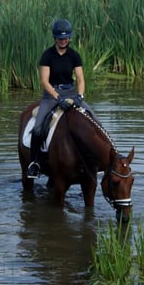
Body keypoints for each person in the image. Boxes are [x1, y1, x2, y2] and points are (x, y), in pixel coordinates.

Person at [26, 18, 97, 179]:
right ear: (55, 38)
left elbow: (80, 79)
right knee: (38, 127)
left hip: (71, 93)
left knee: (94, 120)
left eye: (66, 38)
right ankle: (34, 163)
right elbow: (44, 81)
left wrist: (80, 96)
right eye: (60, 38)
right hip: (52, 95)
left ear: (69, 38)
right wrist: (58, 99)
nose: (63, 41)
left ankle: (96, 161)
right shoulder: (47, 55)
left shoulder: (74, 55)